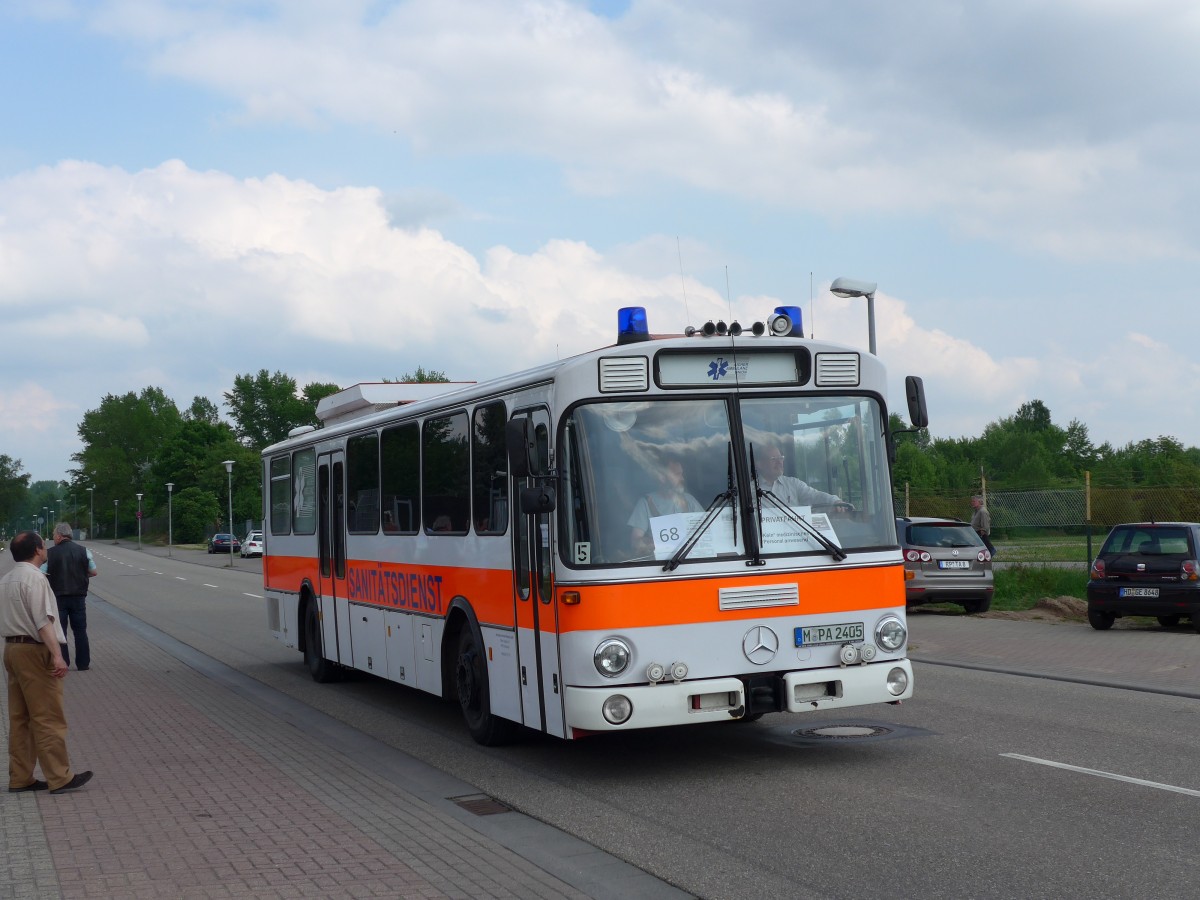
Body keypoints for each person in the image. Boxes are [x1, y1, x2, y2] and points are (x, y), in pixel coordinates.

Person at [2, 531, 93, 794]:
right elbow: (43, 621)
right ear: (38, 550)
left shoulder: (6, 579)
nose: (46, 548)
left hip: (11, 649)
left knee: (20, 718)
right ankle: (60, 776)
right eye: (44, 544)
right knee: (47, 716)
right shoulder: (36, 579)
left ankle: (20, 777)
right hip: (34, 650)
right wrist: (56, 654)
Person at [43, 522, 97, 671]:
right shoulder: (84, 551)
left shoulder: (50, 553)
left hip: (58, 597)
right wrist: (80, 576)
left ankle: (64, 662)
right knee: (80, 631)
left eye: (54, 535)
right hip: (79, 597)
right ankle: (83, 663)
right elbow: (94, 572)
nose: (53, 538)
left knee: (60, 631)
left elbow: (42, 574)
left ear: (59, 536)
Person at [628, 456, 704, 555]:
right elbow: (635, 541)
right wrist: (648, 543)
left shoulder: (689, 500)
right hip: (661, 565)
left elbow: (707, 529)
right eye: (677, 475)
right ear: (662, 477)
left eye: (682, 474)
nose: (682, 478)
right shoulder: (645, 503)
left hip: (694, 560)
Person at [757, 448, 850, 510]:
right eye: (773, 459)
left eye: (781, 458)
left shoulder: (793, 484)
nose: (779, 462)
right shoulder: (751, 491)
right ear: (760, 464)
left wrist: (835, 501)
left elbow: (815, 496)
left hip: (797, 538)